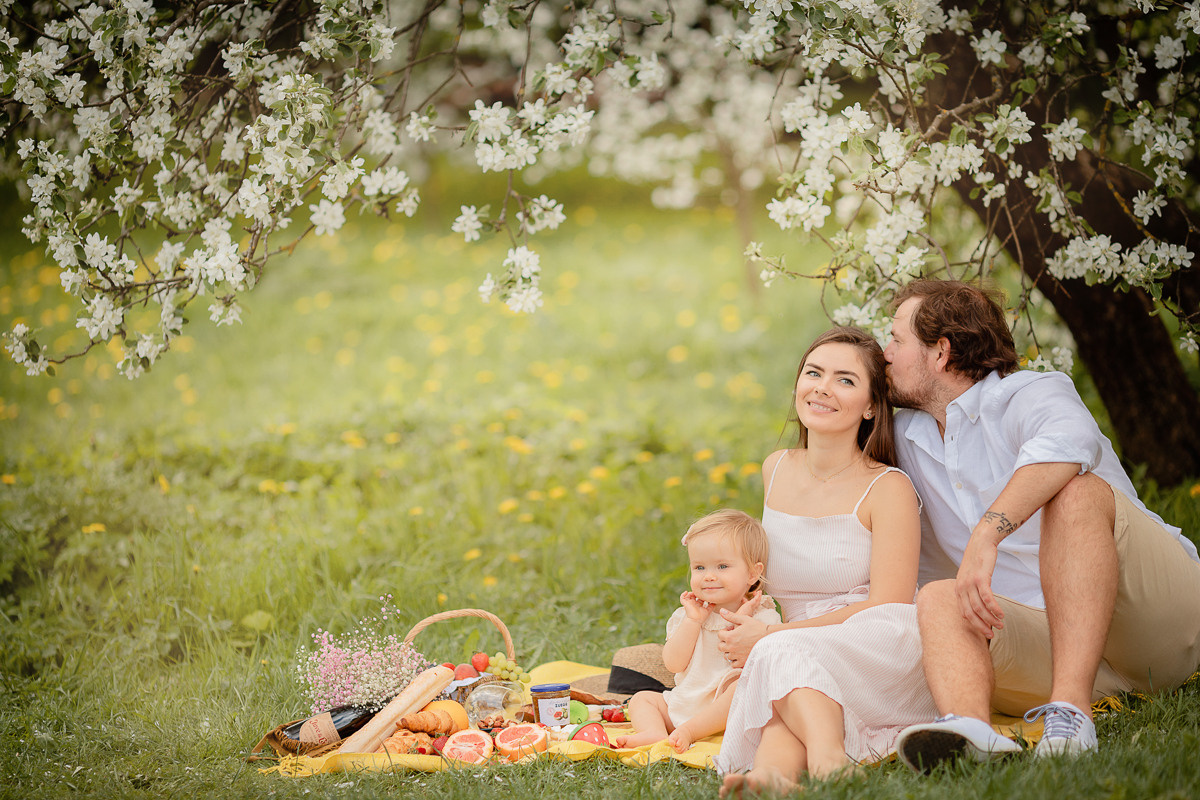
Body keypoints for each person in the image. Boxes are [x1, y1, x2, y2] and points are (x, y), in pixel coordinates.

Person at [885, 279, 1200, 770]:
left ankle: (1069, 716)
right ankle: (972, 733)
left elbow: (1068, 445)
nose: (885, 353)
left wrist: (987, 534)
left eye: (895, 339)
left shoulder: (1029, 393)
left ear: (940, 352)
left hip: (1153, 621)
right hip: (1046, 639)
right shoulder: (905, 437)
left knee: (1074, 490)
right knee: (938, 596)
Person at [714, 327, 937, 796]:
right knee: (785, 680)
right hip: (792, 643)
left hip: (875, 638)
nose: (822, 387)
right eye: (813, 373)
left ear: (872, 406)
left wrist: (772, 635)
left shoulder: (888, 487)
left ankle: (832, 761)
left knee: (780, 657)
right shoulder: (775, 467)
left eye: (845, 380)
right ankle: (771, 780)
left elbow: (889, 602)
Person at [614, 509, 782, 752]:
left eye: (723, 566)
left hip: (728, 709)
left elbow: (763, 666)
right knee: (643, 698)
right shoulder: (687, 614)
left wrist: (740, 621)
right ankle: (654, 732)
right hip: (685, 704)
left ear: (753, 573)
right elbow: (673, 664)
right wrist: (693, 622)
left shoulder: (762, 617)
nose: (709, 576)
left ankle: (691, 731)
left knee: (740, 689)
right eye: (699, 567)